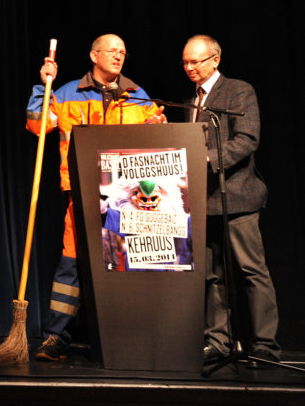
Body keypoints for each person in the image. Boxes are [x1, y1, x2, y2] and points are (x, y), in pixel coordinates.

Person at [26, 34, 165, 360]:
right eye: (112, 51)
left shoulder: (138, 96)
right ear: (94, 55)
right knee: (71, 264)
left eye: (123, 52)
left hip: (127, 198)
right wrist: (43, 85)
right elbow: (37, 125)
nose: (118, 56)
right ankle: (56, 337)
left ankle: (128, 338)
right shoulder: (67, 94)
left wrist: (158, 125)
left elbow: (157, 140)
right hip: (82, 192)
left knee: (125, 264)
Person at [181, 35, 280, 368]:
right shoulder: (191, 100)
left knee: (252, 271)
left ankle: (265, 344)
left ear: (215, 60)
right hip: (203, 201)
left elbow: (247, 139)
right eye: (185, 62)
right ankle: (218, 341)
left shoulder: (238, 91)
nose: (189, 67)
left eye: (195, 61)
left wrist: (208, 158)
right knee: (212, 275)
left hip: (237, 195)